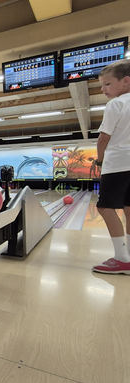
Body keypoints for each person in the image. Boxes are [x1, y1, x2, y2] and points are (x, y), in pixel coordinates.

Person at [91, 59, 130, 274]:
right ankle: (129, 256)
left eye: (107, 84)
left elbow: (103, 138)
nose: (103, 89)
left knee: (105, 207)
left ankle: (122, 259)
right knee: (129, 209)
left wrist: (99, 159)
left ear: (125, 81)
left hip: (117, 165)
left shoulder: (116, 104)